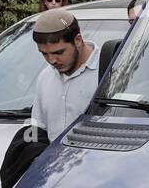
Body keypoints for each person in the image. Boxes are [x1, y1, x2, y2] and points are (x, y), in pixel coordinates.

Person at [30, 10, 99, 139]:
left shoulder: (108, 71)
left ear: (77, 40)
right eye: (44, 54)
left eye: (59, 52)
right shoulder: (45, 77)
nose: (51, 60)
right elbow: (38, 129)